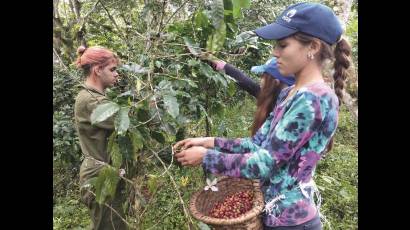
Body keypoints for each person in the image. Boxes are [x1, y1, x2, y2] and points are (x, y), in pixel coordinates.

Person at [173, 2, 351, 230]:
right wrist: (209, 141)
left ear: (313, 47)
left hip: (291, 222)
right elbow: (257, 144)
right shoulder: (291, 92)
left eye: (283, 45)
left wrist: (207, 157)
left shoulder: (313, 99)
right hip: (272, 213)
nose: (275, 52)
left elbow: (264, 164)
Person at [74, 45, 127, 230]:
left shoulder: (96, 96)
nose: (116, 74)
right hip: (98, 176)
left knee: (115, 223)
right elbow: (124, 120)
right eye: (112, 69)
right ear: (97, 70)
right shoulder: (89, 100)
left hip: (105, 173)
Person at [209, 57, 295, 135]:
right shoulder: (275, 97)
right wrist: (223, 66)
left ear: (275, 83)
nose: (260, 80)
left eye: (263, 77)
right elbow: (248, 84)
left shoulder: (289, 114)